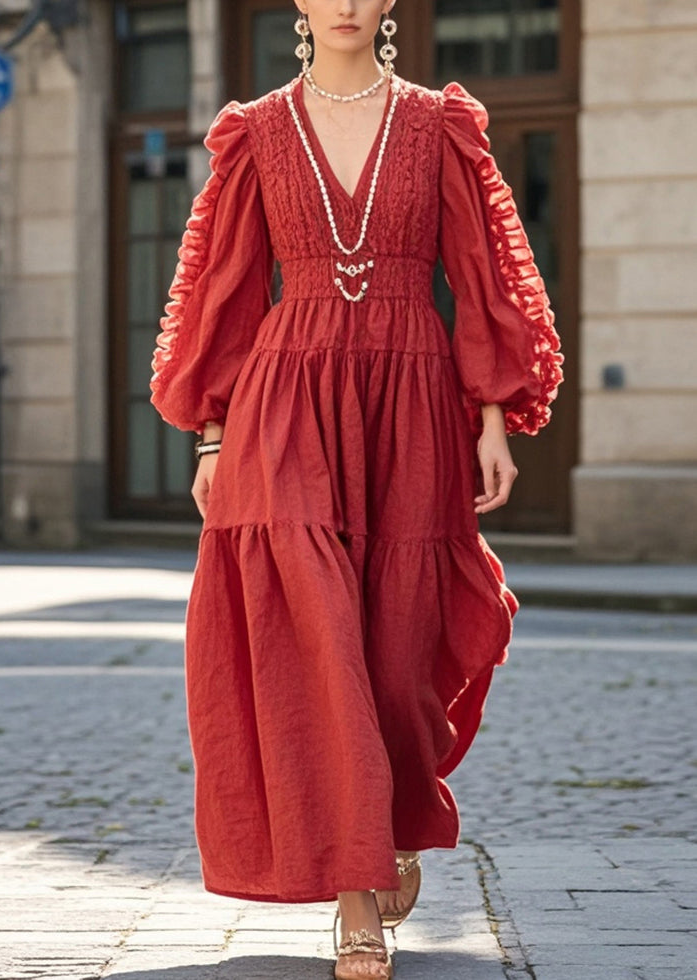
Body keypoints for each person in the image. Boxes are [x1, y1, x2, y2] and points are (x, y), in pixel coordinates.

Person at [150, 1, 563, 977]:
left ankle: (393, 817)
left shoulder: (439, 125)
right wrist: (211, 433)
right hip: (283, 401)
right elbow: (224, 285)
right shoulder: (254, 131)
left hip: (412, 394)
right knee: (315, 636)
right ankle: (352, 898)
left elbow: (484, 273)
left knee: (397, 638)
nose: (343, 0)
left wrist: (495, 414)